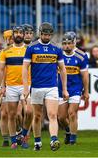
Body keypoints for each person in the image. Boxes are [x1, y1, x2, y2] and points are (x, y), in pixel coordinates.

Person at [22, 22, 69, 151]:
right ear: (40, 33)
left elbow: (63, 70)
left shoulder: (56, 48)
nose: (47, 37)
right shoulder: (31, 47)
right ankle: (37, 142)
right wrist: (26, 88)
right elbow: (25, 68)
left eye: (49, 35)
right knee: (37, 116)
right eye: (45, 34)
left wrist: (64, 89)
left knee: (53, 115)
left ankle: (54, 140)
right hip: (36, 87)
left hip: (52, 87)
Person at [0, 26, 33, 149]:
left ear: (23, 35)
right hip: (11, 86)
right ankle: (13, 140)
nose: (18, 34)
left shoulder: (29, 50)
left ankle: (23, 136)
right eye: (16, 32)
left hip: (26, 85)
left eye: (20, 33)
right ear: (13, 35)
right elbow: (0, 71)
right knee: (12, 115)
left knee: (29, 112)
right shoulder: (5, 52)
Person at [58, 32, 89, 145]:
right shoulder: (58, 55)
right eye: (64, 43)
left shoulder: (81, 56)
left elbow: (85, 76)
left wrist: (86, 91)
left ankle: (73, 140)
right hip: (61, 89)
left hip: (75, 88)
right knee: (61, 117)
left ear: (74, 43)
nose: (67, 46)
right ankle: (68, 131)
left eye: (69, 43)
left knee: (72, 113)